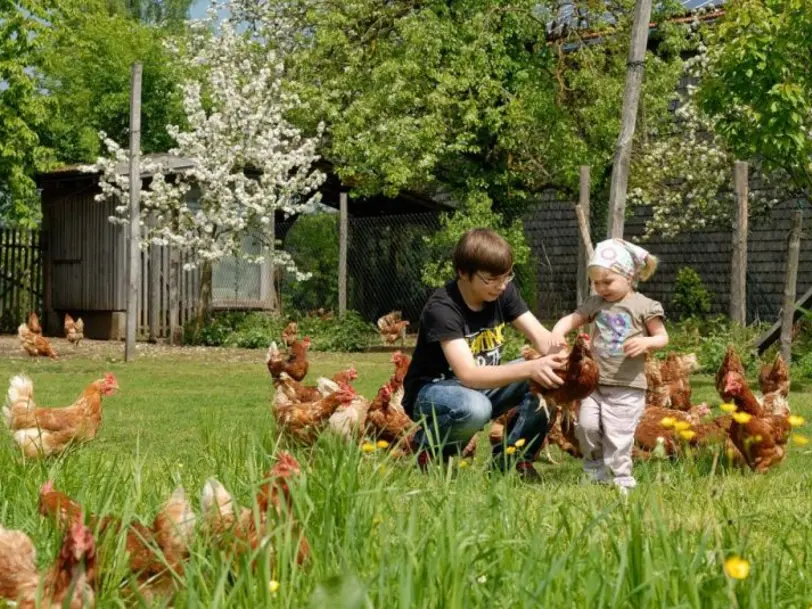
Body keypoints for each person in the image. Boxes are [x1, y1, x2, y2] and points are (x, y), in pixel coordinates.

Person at [402, 228, 568, 481]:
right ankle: (427, 444)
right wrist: (530, 368)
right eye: (491, 279)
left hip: (482, 388)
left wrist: (567, 358)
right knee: (476, 407)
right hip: (434, 393)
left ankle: (512, 460)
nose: (502, 286)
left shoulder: (503, 293)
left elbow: (541, 337)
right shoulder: (443, 308)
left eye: (506, 277)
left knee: (549, 379)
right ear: (463, 273)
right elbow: (468, 375)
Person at [551, 238, 668, 493]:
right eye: (596, 283)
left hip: (627, 385)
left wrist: (647, 342)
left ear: (629, 276)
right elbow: (573, 319)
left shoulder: (644, 306)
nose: (602, 288)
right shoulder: (596, 304)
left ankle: (621, 478)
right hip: (594, 385)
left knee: (619, 434)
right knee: (587, 427)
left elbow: (663, 337)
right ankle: (595, 474)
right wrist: (559, 331)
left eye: (608, 281)